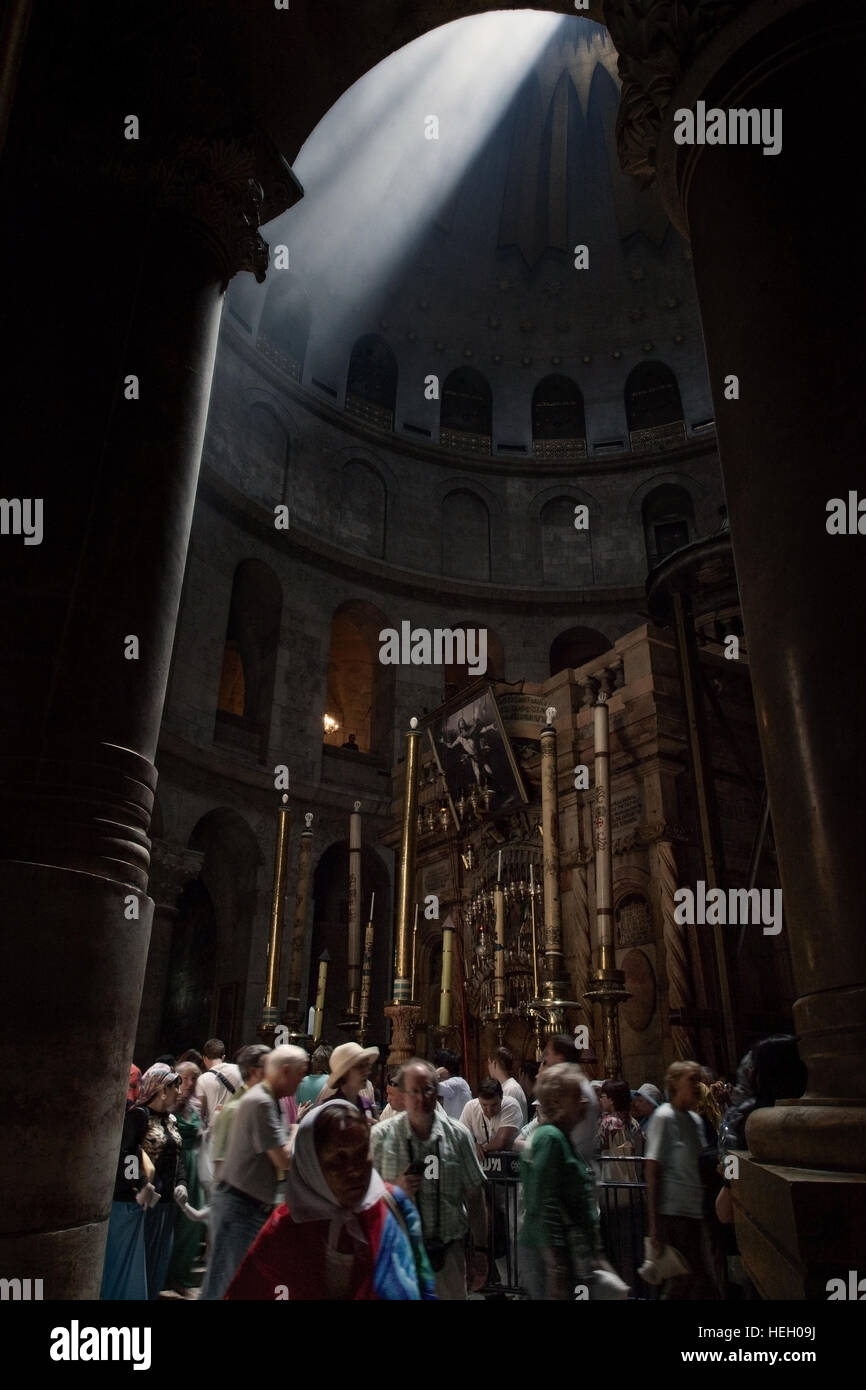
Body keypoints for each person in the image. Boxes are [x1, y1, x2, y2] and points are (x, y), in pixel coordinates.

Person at [226, 1101, 437, 1300]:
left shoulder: (393, 1206)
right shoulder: (284, 1230)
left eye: (362, 1152)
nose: (354, 1170)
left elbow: (424, 1284)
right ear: (311, 1165)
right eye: (339, 1158)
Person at [370, 1058, 488, 1300]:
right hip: (398, 1256)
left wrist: (481, 1250)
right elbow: (363, 1198)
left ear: (438, 1093)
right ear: (402, 1094)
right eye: (414, 1091)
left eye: (428, 1090)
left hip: (447, 1255)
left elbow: (475, 1196)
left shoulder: (458, 1135)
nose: (422, 1098)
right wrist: (394, 1192)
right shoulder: (381, 1137)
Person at [199, 1045, 308, 1300]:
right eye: (300, 1074)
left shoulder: (268, 1099)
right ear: (285, 1071)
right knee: (225, 1285)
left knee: (231, 1283)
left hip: (245, 1206)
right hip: (239, 1208)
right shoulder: (260, 1101)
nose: (301, 1080)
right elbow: (283, 1160)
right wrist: (296, 1132)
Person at [519, 1063, 599, 1300]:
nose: (585, 1103)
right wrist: (556, 1268)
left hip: (559, 1253)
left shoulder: (559, 1137)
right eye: (577, 1096)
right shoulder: (551, 1138)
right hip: (550, 1257)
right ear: (556, 1102)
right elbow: (545, 1202)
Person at [644, 1060, 719, 1299]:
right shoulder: (664, 1117)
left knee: (694, 1282)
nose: (698, 1086)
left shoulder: (695, 1120)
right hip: (673, 1215)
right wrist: (655, 1225)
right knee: (687, 1281)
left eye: (699, 1080)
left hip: (695, 1212)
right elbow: (653, 1169)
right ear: (675, 1084)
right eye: (692, 1080)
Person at [136, 1064, 188, 1299]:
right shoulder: (140, 1117)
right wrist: (139, 1184)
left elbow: (180, 1157)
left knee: (159, 1258)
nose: (180, 1091)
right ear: (162, 1090)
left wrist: (182, 1182)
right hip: (145, 1204)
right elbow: (127, 1154)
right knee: (142, 1258)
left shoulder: (171, 1120)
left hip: (166, 1202)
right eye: (176, 1086)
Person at [165, 1061, 204, 1296]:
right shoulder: (168, 1105)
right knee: (174, 1223)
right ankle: (168, 1275)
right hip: (176, 1165)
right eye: (185, 1078)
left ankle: (181, 1274)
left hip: (195, 1166)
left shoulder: (197, 1106)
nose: (189, 1084)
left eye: (193, 1079)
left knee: (192, 1223)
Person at [540, 1035, 599, 1177]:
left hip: (570, 1171)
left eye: (548, 1054)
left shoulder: (574, 1087)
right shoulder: (579, 1083)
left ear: (560, 1057)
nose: (545, 1060)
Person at [314, 1041, 380, 1122]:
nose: (367, 1071)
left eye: (367, 1065)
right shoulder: (329, 1110)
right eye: (361, 1066)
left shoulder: (367, 1106)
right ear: (344, 1073)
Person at [459, 1079, 522, 1161]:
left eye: (494, 1105)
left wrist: (477, 1149)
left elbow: (500, 1142)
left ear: (502, 1097)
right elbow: (460, 1137)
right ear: (478, 1099)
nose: (489, 1110)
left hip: (510, 1163)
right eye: (484, 1105)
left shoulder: (511, 1105)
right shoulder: (470, 1107)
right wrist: (472, 1145)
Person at [195, 1038, 242, 1133]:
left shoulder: (202, 1079)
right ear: (223, 1057)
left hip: (215, 1134)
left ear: (204, 1058)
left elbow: (199, 1114)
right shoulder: (239, 1070)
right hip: (237, 1131)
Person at [598, 1079, 643, 1156]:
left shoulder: (609, 1122)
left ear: (612, 1100)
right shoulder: (634, 1123)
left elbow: (596, 1147)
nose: (600, 1099)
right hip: (632, 1167)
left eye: (602, 1096)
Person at [487, 1045, 528, 1124]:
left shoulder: (510, 1089)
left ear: (494, 1063)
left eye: (489, 1063)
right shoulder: (507, 1087)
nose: (488, 1067)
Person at [433, 1048, 471, 1120]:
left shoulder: (455, 1083)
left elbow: (426, 1087)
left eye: (436, 1066)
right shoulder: (459, 1082)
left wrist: (436, 1073)